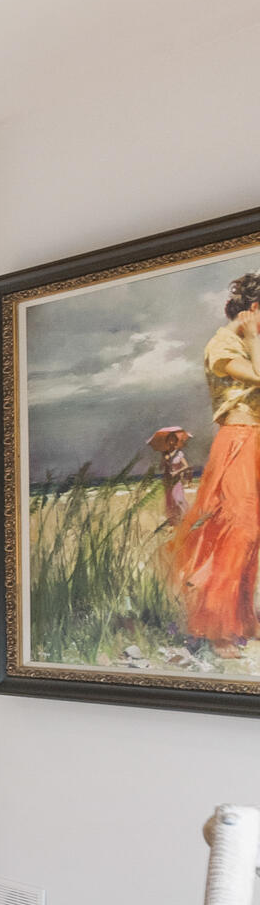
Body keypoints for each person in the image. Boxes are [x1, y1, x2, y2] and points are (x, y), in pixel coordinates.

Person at [171, 270, 260, 642]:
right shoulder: (223, 344)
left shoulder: (250, 343)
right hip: (239, 439)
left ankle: (243, 620)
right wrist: (252, 336)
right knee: (237, 529)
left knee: (252, 535)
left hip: (256, 440)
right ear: (253, 309)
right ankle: (216, 626)